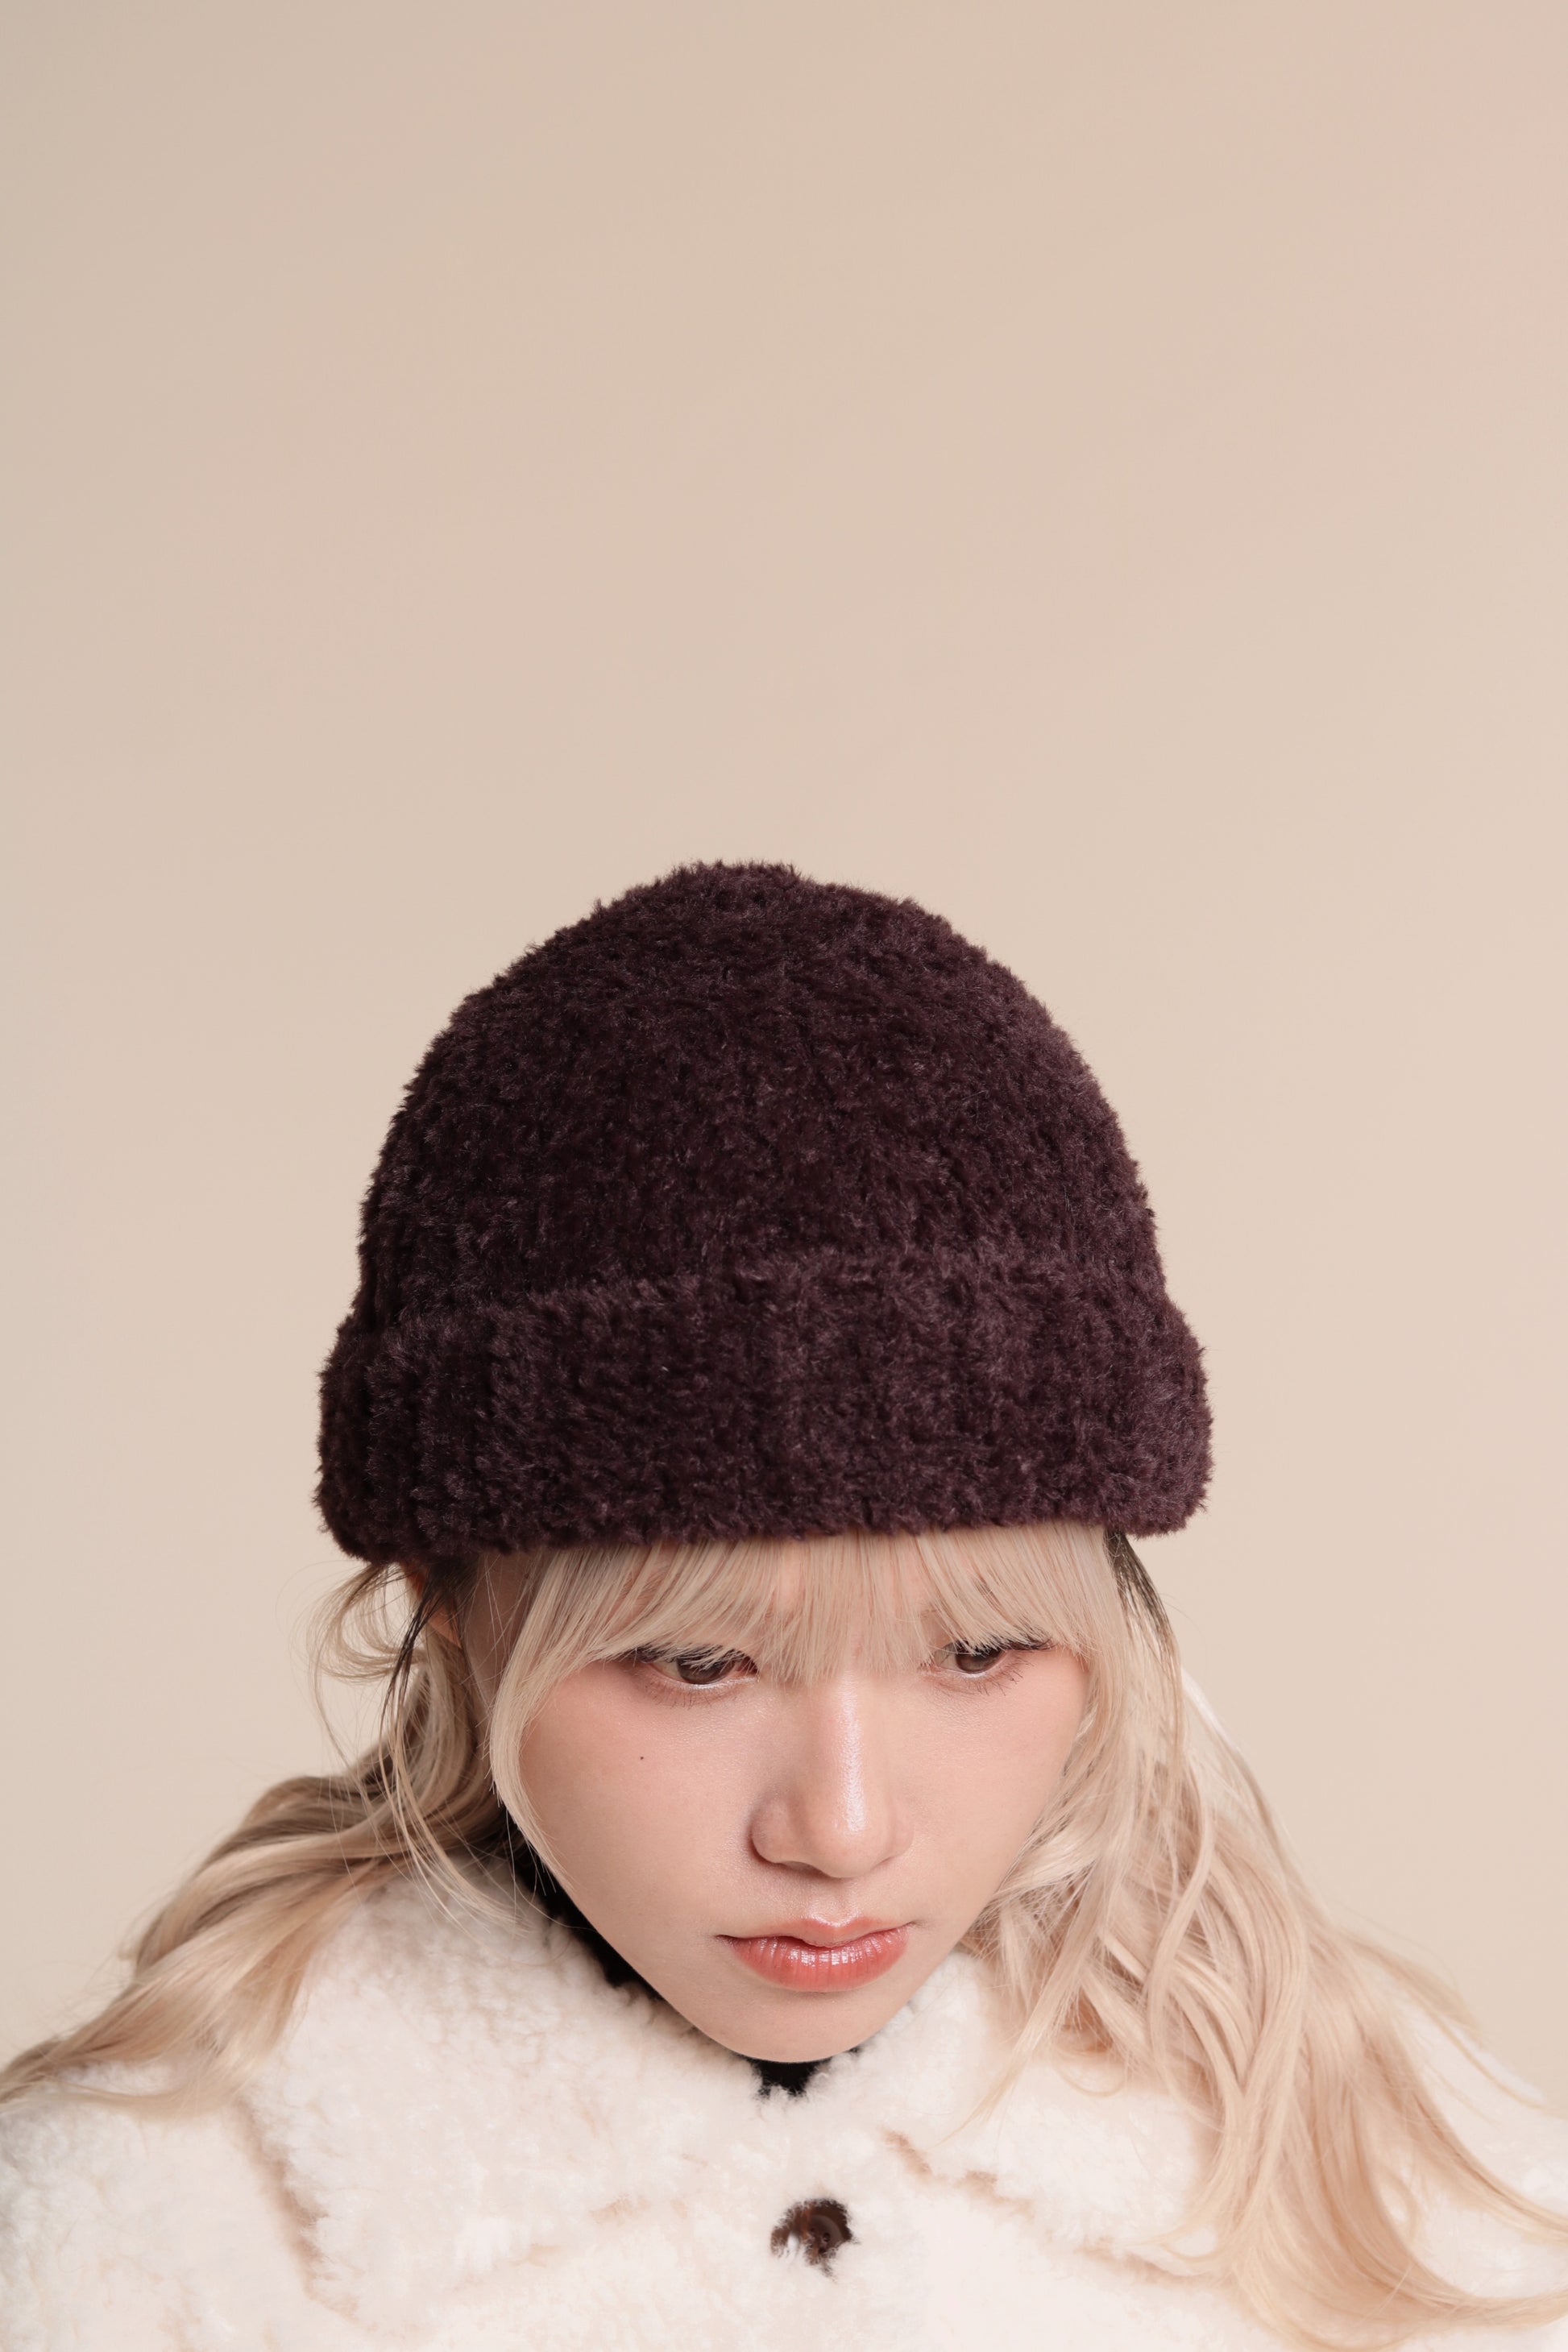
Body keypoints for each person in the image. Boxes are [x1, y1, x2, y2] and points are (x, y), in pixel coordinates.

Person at [2, 861, 1565, 2352]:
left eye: (977, 1650)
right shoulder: (135, 2250)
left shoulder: (1410, 2197)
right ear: (449, 1603)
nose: (841, 1830)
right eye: (698, 1662)